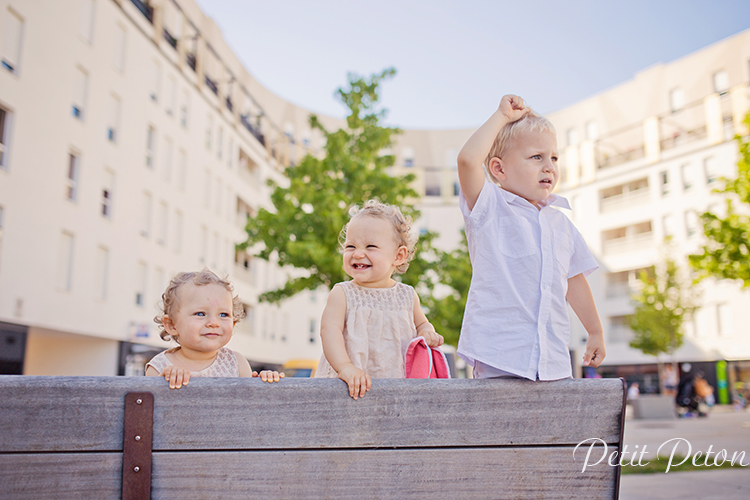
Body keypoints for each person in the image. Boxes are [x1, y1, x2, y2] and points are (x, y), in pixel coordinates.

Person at [456, 94, 605, 380]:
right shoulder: (490, 208)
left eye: (553, 158)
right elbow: (467, 161)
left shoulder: (562, 225)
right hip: (499, 355)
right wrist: (501, 116)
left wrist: (595, 331)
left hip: (552, 360)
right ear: (499, 169)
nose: (549, 166)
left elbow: (574, 281)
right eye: (536, 157)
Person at [315, 200, 444, 399]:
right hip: (348, 386)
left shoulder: (407, 296)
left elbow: (422, 324)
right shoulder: (343, 293)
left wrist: (427, 332)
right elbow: (329, 331)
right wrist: (345, 367)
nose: (357, 253)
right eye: (350, 246)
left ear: (399, 256)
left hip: (394, 387)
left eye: (370, 246)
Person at [146, 269, 283, 389]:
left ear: (233, 323)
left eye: (224, 315)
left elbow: (249, 408)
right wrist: (163, 383)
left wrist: (265, 383)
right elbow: (152, 411)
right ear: (171, 325)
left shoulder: (236, 363)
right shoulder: (159, 367)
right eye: (200, 314)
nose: (214, 323)